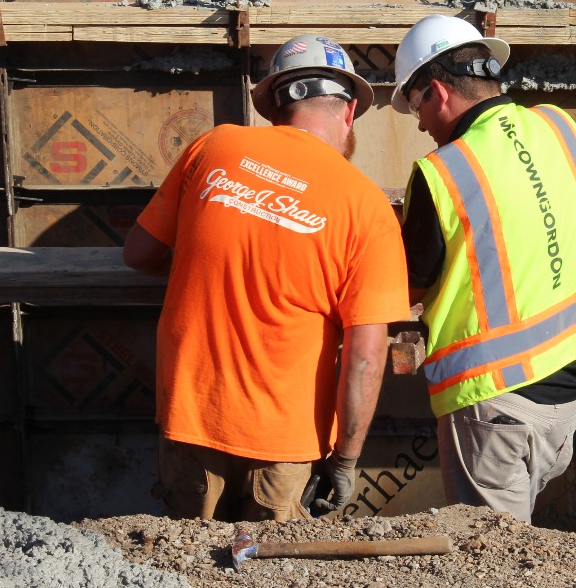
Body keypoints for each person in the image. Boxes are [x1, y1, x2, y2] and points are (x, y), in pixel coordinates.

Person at [123, 34, 409, 522]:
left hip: (191, 414)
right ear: (347, 112)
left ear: (275, 108)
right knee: (272, 566)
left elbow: (138, 252)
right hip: (286, 439)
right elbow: (365, 355)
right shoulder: (367, 206)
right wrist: (346, 459)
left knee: (184, 562)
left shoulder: (214, 146)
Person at [391, 15, 576, 523]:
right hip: (566, 393)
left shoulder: (441, 171)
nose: (419, 124)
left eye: (416, 107)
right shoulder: (558, 127)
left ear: (437, 93)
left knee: (492, 558)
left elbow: (408, 284)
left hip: (494, 402)